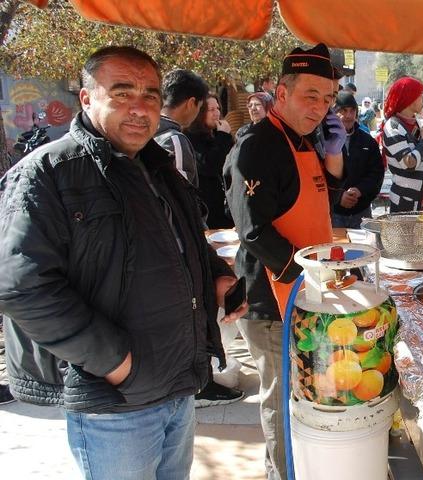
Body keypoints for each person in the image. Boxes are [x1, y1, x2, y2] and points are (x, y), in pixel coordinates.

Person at [0, 45, 247, 479]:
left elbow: (184, 241)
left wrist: (218, 278)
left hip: (179, 382)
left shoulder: (157, 165)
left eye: (150, 95)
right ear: (87, 98)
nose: (139, 108)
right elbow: (23, 287)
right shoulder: (48, 172)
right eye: (122, 92)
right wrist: (117, 363)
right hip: (116, 402)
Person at [224, 43, 345, 480]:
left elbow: (314, 203)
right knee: (280, 402)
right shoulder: (256, 145)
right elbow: (251, 229)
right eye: (310, 95)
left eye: (328, 98)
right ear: (281, 91)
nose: (319, 107)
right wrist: (304, 274)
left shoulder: (304, 141)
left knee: (302, 396)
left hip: (307, 293)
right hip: (272, 299)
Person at [330, 92, 384, 228]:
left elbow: (376, 174)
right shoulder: (324, 141)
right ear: (334, 112)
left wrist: (360, 190)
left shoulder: (368, 141)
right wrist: (338, 197)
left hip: (362, 212)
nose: (348, 116)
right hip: (332, 213)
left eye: (352, 110)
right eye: (343, 111)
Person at [381, 76, 423, 213]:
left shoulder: (412, 123)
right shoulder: (393, 127)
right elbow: (409, 162)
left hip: (417, 201)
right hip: (404, 203)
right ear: (409, 98)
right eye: (420, 96)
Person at [186, 94, 235, 229]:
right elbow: (209, 166)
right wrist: (223, 136)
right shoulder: (191, 136)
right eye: (211, 109)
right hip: (208, 206)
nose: (216, 113)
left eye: (218, 108)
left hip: (226, 204)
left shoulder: (216, 134)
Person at [154, 68, 208, 186]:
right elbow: (182, 196)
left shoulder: (145, 131)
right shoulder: (175, 140)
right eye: (199, 107)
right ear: (191, 103)